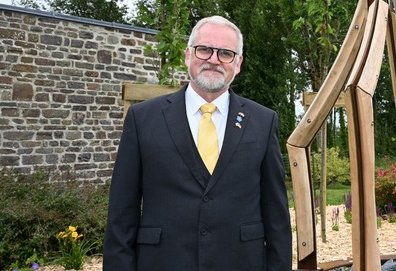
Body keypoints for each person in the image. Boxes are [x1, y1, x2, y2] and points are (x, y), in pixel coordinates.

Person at [103, 15, 292, 271]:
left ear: (238, 64)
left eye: (226, 53)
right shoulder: (143, 118)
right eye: (204, 49)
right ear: (188, 55)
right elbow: (122, 211)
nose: (214, 59)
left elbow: (275, 212)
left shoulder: (263, 121)